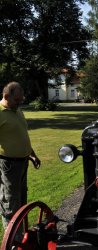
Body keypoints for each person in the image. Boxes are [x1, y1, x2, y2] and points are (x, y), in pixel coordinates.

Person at [0, 81, 41, 231]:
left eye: (21, 99)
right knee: (10, 203)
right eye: (17, 100)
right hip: (8, 165)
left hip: (23, 162)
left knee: (22, 200)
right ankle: (13, 242)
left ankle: (23, 236)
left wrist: (33, 155)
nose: (19, 103)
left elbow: (22, 136)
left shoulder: (17, 110)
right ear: (6, 96)